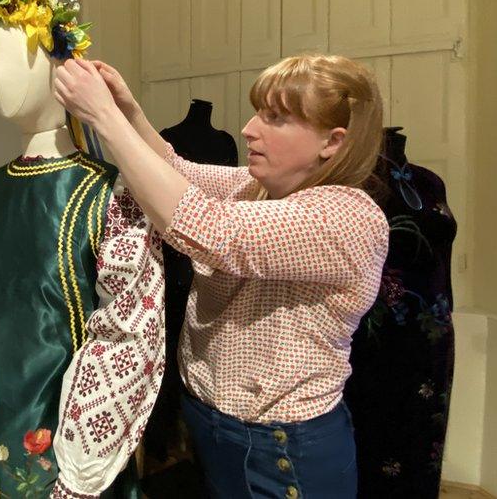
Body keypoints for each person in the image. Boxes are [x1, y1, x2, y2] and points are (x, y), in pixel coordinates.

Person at [53, 54, 390, 498]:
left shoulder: (348, 218)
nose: (250, 129)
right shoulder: (256, 188)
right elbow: (177, 171)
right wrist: (129, 109)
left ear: (332, 141)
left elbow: (210, 229)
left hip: (282, 454)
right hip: (220, 432)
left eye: (276, 118)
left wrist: (104, 117)